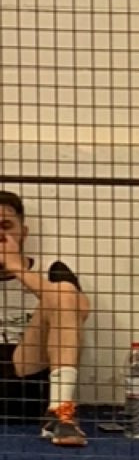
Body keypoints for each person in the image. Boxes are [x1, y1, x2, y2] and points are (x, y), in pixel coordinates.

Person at [0, 189, 90, 444]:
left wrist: (18, 269)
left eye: (6, 226)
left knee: (63, 293)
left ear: (23, 232)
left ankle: (60, 413)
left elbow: (80, 309)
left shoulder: (50, 270)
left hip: (29, 376)